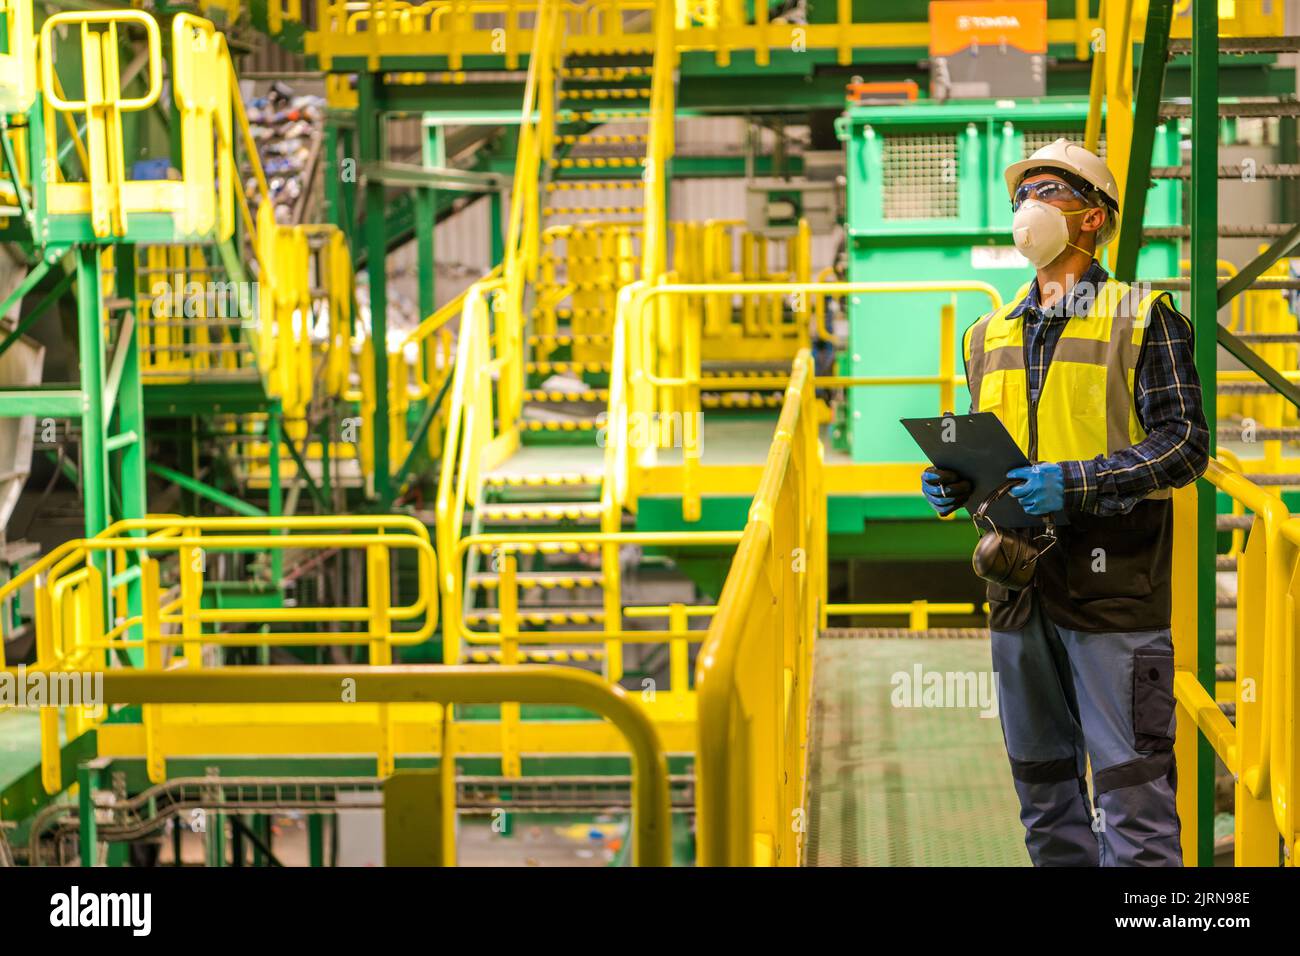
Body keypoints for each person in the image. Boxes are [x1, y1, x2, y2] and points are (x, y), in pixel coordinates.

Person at [920, 139, 1209, 867]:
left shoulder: (1143, 318)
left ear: (1093, 219)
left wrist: (1076, 481)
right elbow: (1000, 449)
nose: (1029, 206)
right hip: (1017, 590)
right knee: (1044, 794)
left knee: (1132, 794)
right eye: (1024, 193)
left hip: (1114, 591)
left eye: (1049, 191)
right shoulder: (986, 335)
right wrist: (955, 484)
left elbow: (1184, 445)